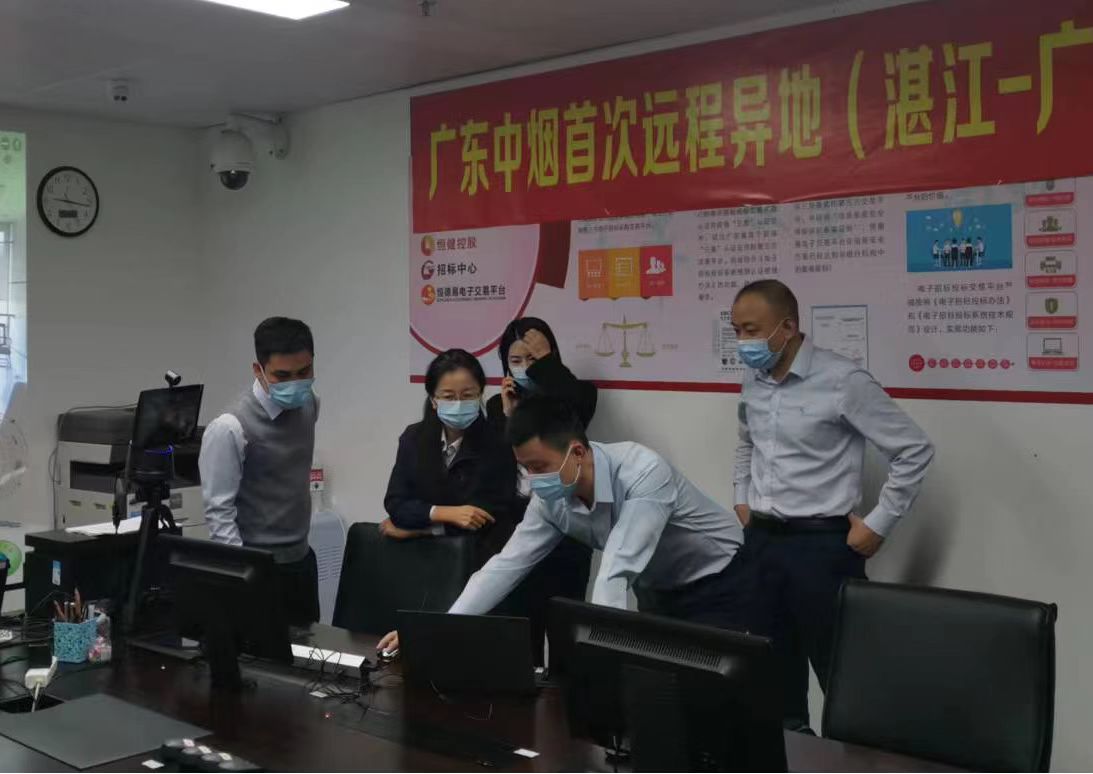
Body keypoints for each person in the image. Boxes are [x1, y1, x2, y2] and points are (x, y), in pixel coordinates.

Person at [377, 396, 750, 655]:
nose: (533, 478)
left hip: (721, 580)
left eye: (539, 466)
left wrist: (602, 652)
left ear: (577, 452)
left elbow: (616, 568)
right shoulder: (550, 501)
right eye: (525, 468)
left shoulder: (643, 472)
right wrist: (437, 631)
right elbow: (504, 567)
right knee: (661, 697)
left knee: (717, 702)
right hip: (658, 591)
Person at [731, 279, 934, 731]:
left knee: (846, 681)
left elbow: (913, 449)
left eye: (751, 330)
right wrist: (741, 498)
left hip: (821, 548)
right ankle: (790, 751)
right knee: (772, 677)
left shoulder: (843, 380)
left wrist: (879, 524)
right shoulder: (753, 381)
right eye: (737, 331)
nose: (743, 342)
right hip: (761, 545)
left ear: (787, 327)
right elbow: (747, 441)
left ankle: (858, 758)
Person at [486, 318, 596, 664]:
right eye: (515, 361)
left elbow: (576, 413)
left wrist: (547, 366)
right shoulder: (497, 406)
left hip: (568, 527)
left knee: (567, 627)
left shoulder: (575, 395)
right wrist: (510, 419)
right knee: (519, 626)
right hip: (517, 525)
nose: (524, 368)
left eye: (532, 359)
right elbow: (500, 469)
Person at [199, 317, 321, 626]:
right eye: (282, 375)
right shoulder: (229, 427)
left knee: (309, 651)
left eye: (304, 372)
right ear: (258, 370)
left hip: (301, 561)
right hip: (256, 568)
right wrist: (242, 577)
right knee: (258, 654)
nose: (296, 383)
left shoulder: (310, 404)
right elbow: (219, 513)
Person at [380, 349, 516, 563]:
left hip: (476, 560)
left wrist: (422, 530)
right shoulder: (413, 438)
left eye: (468, 395)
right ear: (433, 400)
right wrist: (443, 513)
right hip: (420, 560)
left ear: (480, 394)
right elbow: (396, 504)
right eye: (448, 397)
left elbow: (490, 516)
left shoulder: (498, 442)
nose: (458, 403)